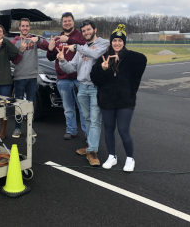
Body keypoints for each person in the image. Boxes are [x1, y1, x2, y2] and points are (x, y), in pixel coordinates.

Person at [90, 24, 147, 172]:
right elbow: (95, 79)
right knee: (108, 129)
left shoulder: (130, 58)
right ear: (111, 42)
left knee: (123, 130)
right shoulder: (104, 57)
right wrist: (103, 69)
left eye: (120, 41)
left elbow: (143, 59)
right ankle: (112, 156)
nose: (117, 43)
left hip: (125, 101)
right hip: (107, 101)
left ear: (124, 42)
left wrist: (122, 55)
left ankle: (130, 158)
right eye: (114, 40)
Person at [57, 20, 109, 166]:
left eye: (88, 30)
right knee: (86, 118)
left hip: (95, 88)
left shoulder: (103, 44)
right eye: (84, 31)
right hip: (82, 87)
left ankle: (92, 151)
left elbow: (94, 54)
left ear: (95, 29)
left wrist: (77, 47)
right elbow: (71, 68)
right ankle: (89, 144)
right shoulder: (82, 48)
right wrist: (62, 61)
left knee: (95, 119)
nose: (86, 32)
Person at [46, 12, 87, 140]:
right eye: (65, 21)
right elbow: (51, 58)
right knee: (68, 108)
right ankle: (71, 130)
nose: (67, 23)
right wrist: (50, 49)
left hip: (79, 78)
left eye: (69, 21)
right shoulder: (58, 38)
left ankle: (88, 134)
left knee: (83, 109)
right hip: (63, 79)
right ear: (62, 23)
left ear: (73, 22)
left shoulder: (80, 36)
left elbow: (84, 47)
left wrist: (68, 40)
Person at [11, 18, 49, 139]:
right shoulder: (15, 41)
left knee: (30, 105)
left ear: (29, 27)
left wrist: (39, 39)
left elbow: (47, 47)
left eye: (27, 26)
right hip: (19, 77)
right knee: (19, 104)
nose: (25, 28)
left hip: (32, 77)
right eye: (23, 26)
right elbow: (13, 59)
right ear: (19, 28)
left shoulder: (34, 40)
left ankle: (30, 127)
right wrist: (21, 50)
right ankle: (17, 128)